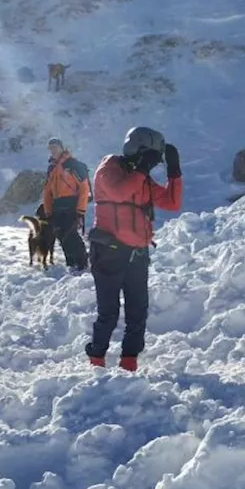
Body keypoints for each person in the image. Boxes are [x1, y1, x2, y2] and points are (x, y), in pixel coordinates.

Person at [85, 127, 182, 372]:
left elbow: (172, 203)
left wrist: (174, 171)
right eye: (151, 156)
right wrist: (141, 169)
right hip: (109, 251)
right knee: (108, 311)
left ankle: (129, 361)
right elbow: (118, 193)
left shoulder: (141, 178)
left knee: (138, 311)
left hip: (137, 252)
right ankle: (96, 360)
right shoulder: (109, 168)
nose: (151, 163)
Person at [42, 137, 92, 273]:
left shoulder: (72, 165)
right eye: (50, 148)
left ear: (62, 148)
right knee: (60, 233)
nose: (53, 150)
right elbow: (47, 191)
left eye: (55, 147)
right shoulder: (51, 168)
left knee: (70, 233)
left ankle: (82, 262)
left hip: (72, 204)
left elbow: (84, 188)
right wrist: (48, 211)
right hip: (57, 205)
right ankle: (71, 263)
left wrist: (80, 210)